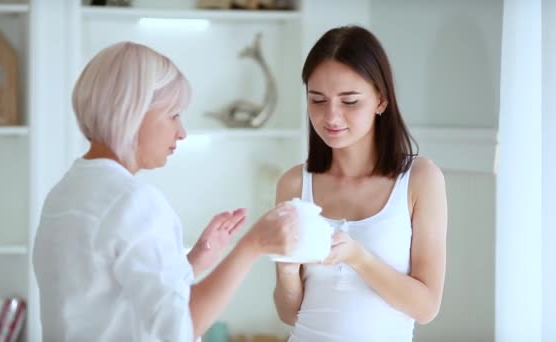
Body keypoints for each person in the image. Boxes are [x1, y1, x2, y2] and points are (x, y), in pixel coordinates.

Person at [32, 41, 299, 342]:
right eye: (173, 114)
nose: (182, 132)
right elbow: (179, 331)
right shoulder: (134, 202)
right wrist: (253, 244)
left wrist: (194, 261)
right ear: (132, 112)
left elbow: (108, 296)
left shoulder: (66, 192)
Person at [273, 25, 448, 342]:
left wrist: (358, 257)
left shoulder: (420, 179)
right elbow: (288, 313)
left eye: (349, 101)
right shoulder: (294, 183)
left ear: (381, 100)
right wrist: (286, 270)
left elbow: (426, 307)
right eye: (318, 100)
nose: (332, 117)